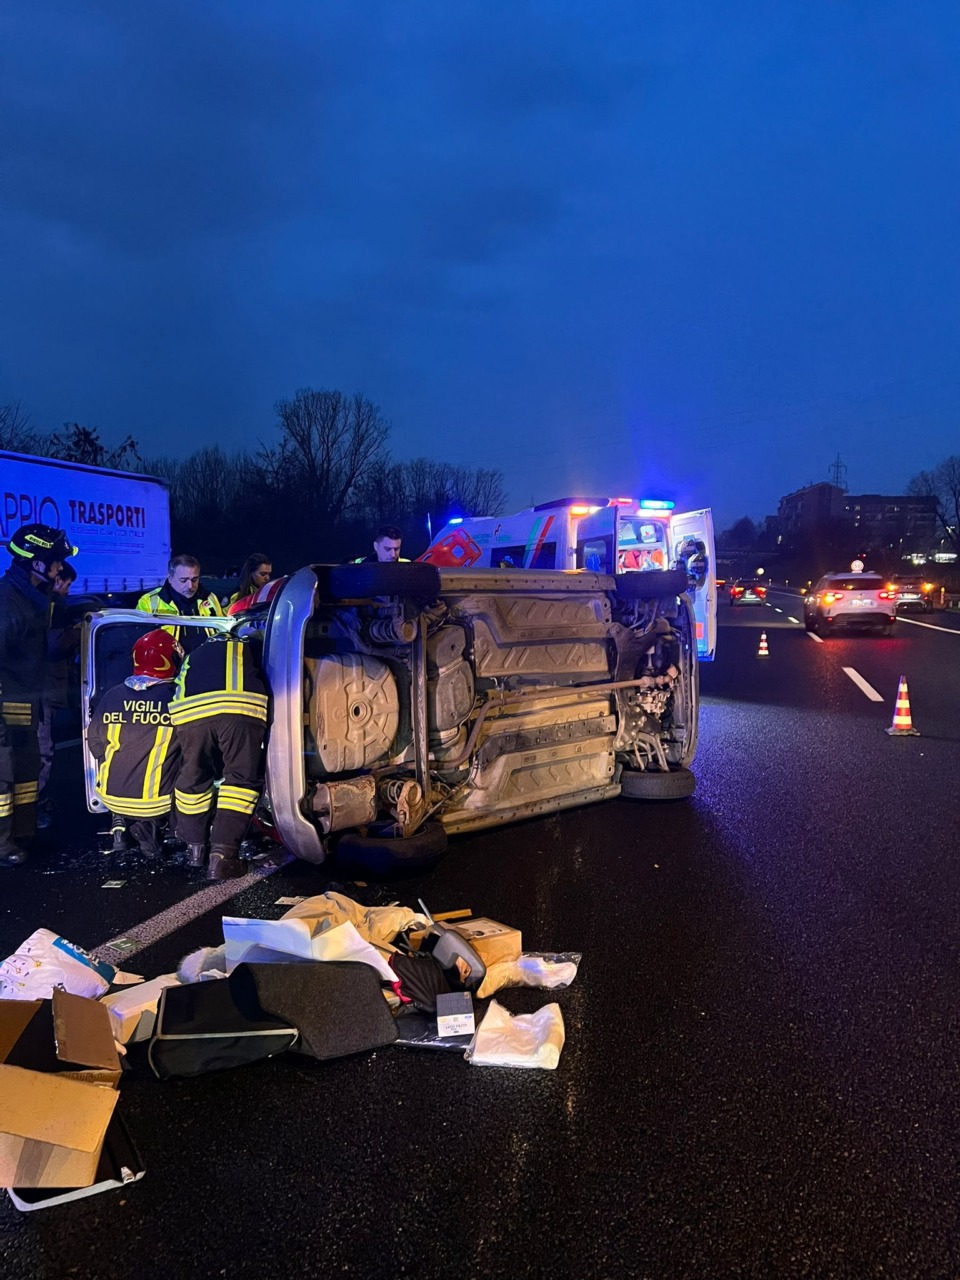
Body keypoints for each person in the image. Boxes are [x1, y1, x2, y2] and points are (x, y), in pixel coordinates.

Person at [0, 523, 77, 867]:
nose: (60, 567)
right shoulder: (7, 601)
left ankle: (22, 832)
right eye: (56, 561)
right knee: (3, 776)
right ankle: (2, 845)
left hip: (25, 700)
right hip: (5, 700)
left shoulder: (32, 598)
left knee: (26, 771)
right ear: (35, 562)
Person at [170, 626, 268, 880]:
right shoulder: (247, 647)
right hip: (239, 710)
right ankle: (222, 858)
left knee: (194, 776)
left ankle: (195, 850)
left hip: (190, 716)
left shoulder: (194, 654)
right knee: (240, 780)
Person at [87, 630, 183, 860]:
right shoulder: (176, 698)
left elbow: (95, 743)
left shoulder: (112, 696)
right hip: (157, 802)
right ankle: (163, 826)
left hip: (109, 795)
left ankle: (119, 822)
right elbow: (196, 748)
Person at [36, 562, 81, 827]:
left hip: (39, 689)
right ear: (57, 580)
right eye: (67, 583)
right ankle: (32, 807)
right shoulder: (52, 605)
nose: (67, 590)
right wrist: (75, 634)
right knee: (42, 750)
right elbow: (53, 646)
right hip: (42, 690)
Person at [136, 554, 223, 654]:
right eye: (183, 580)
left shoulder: (210, 598)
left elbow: (222, 633)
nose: (190, 586)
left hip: (207, 660)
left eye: (194, 580)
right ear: (170, 578)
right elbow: (139, 642)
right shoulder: (149, 602)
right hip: (167, 662)